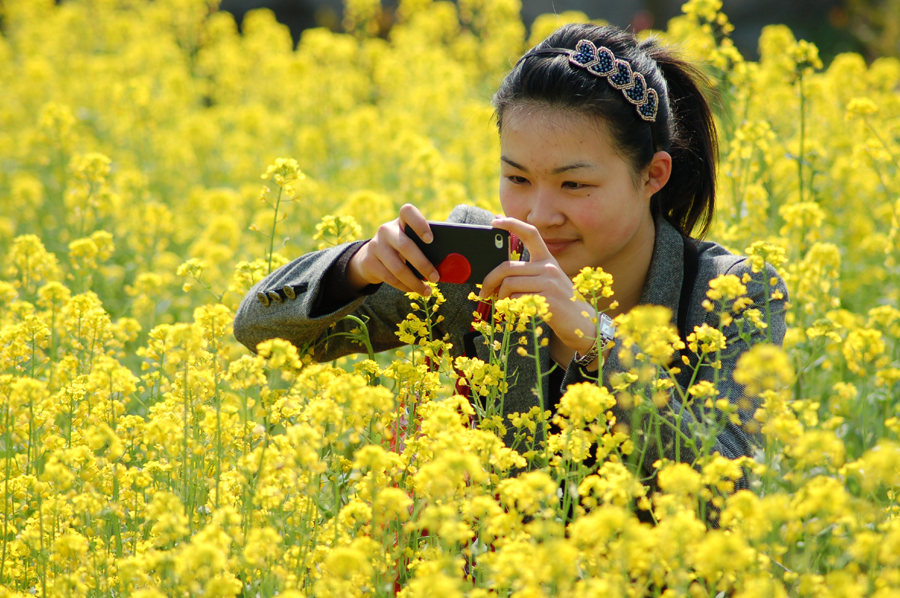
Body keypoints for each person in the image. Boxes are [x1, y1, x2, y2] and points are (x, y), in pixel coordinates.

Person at [233, 23, 787, 495]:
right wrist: (356, 269)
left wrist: (598, 340)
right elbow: (258, 330)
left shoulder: (729, 292)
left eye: (574, 184)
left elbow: (732, 492)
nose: (540, 214)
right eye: (516, 178)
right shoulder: (476, 265)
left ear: (652, 175)